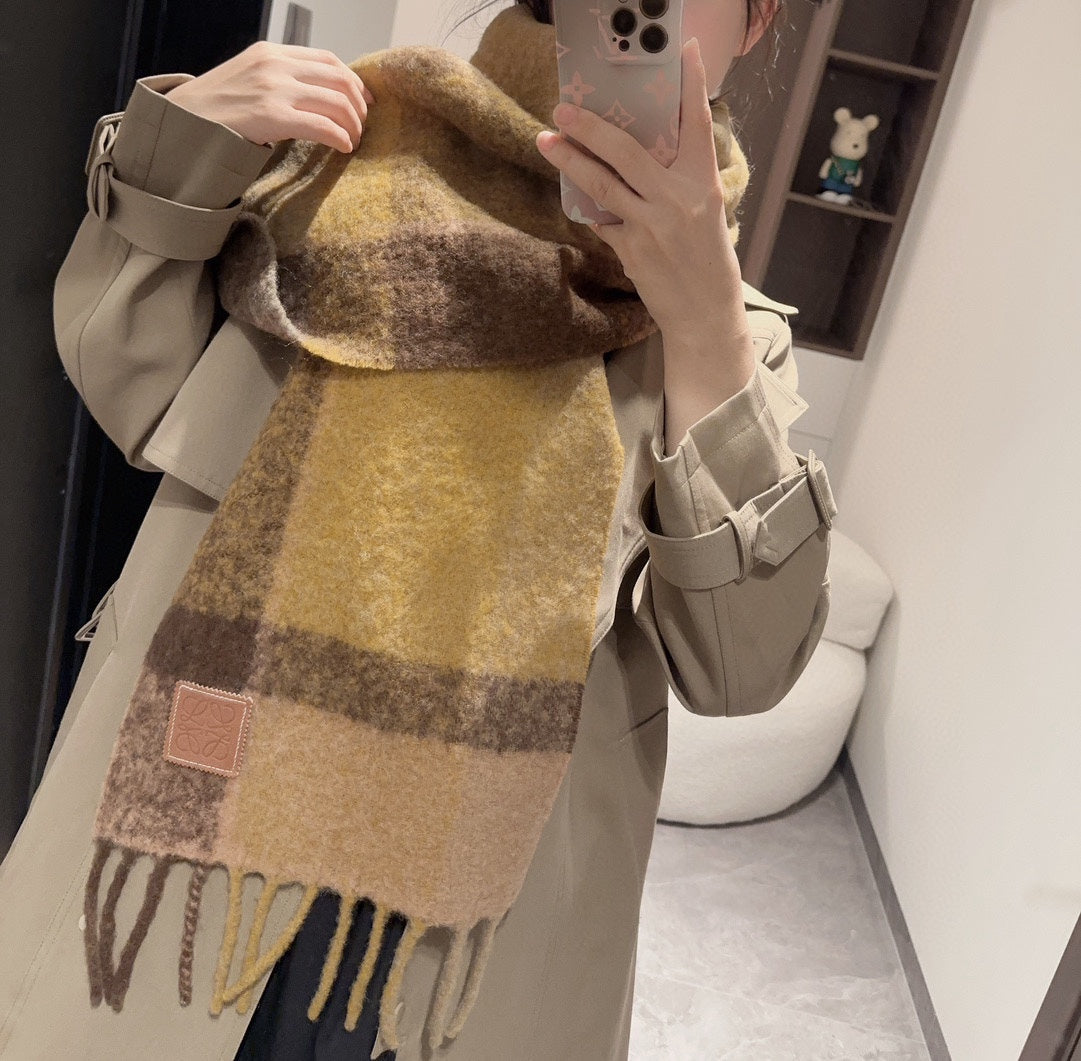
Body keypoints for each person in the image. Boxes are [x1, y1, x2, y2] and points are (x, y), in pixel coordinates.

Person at [0, 1, 833, 1058]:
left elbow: (740, 668)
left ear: (756, 26)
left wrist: (704, 325)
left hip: (479, 907)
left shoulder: (730, 341)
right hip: (213, 804)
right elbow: (130, 380)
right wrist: (182, 149)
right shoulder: (342, 168)